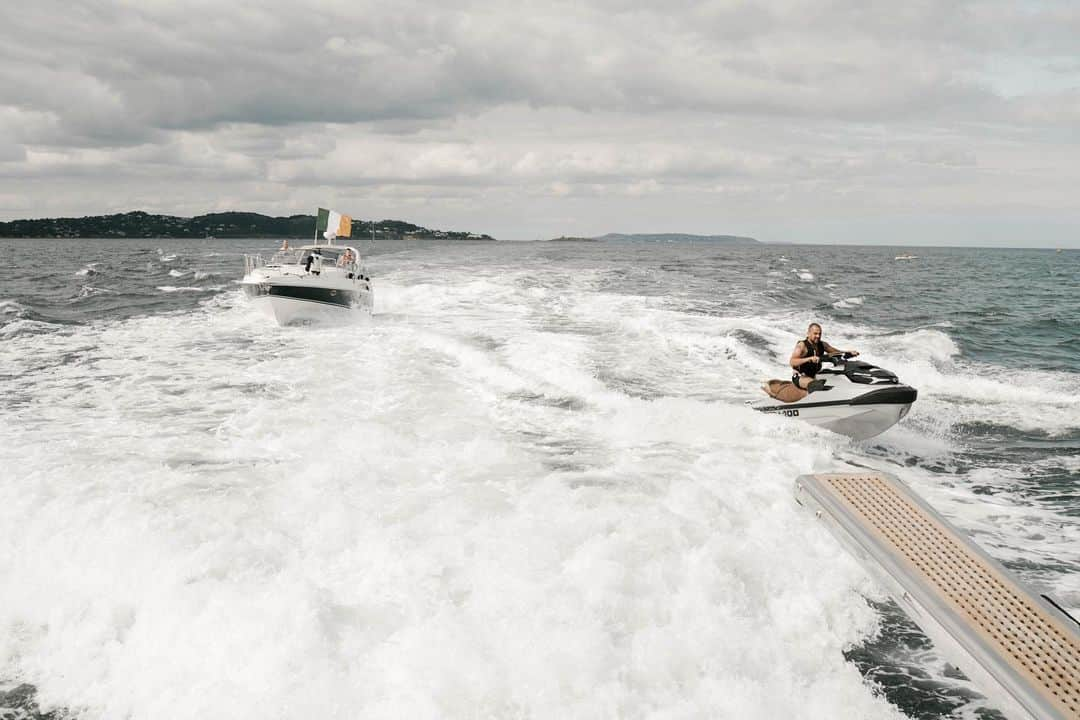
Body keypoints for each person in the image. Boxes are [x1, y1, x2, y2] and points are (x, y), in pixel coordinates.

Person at [789, 322, 859, 391]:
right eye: (815, 334)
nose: (818, 336)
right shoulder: (802, 346)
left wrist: (849, 353)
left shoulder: (822, 344)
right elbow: (792, 361)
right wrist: (808, 359)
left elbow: (836, 352)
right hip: (801, 377)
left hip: (816, 374)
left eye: (820, 334)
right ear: (808, 333)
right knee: (816, 385)